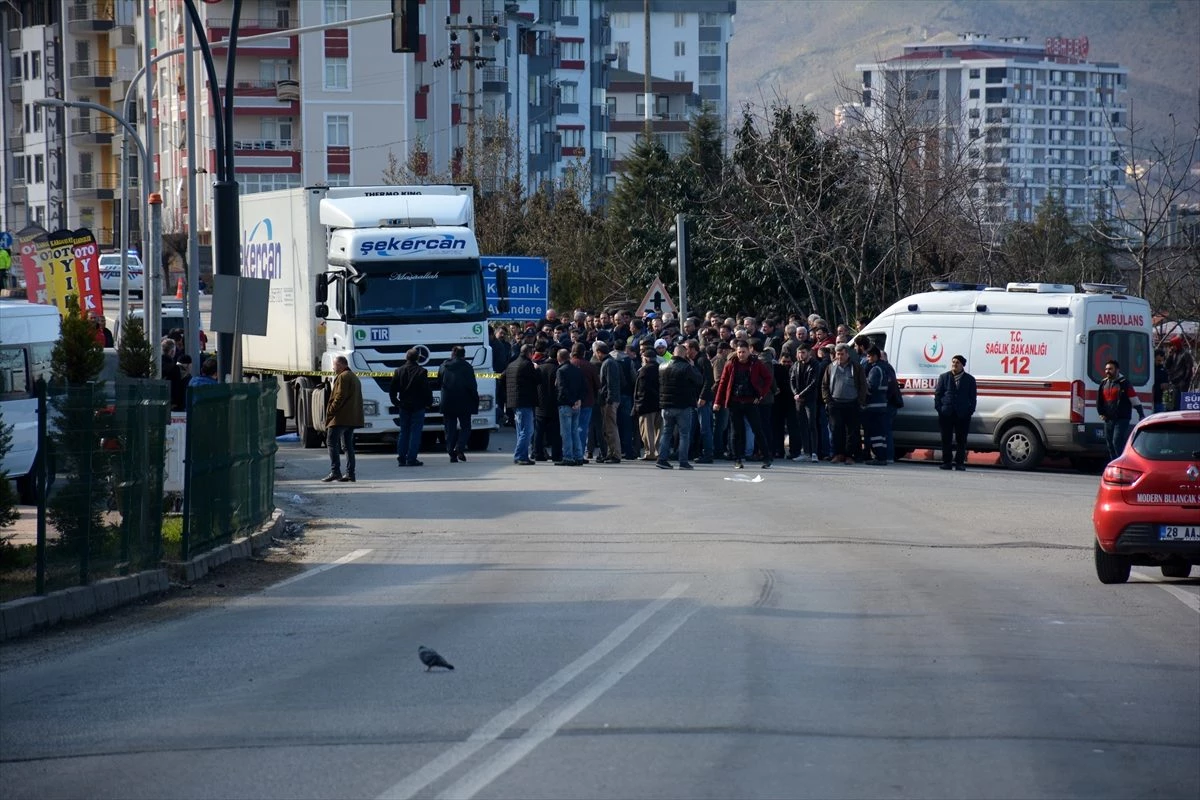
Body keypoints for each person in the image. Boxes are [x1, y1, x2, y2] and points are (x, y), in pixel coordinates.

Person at [713, 339, 773, 470]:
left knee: (757, 429)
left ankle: (767, 457)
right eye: (739, 352)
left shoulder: (756, 363)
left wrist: (761, 394)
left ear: (749, 351)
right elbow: (722, 383)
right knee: (736, 432)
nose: (741, 355)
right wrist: (718, 401)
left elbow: (768, 378)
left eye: (744, 352)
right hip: (735, 402)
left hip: (751, 402)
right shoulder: (730, 364)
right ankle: (737, 459)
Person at [657, 344, 703, 470]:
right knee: (684, 434)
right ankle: (683, 461)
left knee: (666, 433)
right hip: (683, 405)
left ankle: (662, 459)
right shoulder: (687, 367)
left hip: (666, 405)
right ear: (684, 354)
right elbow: (699, 380)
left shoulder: (662, 366)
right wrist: (693, 367)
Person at [821, 343, 867, 464]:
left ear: (847, 354)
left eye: (842, 354)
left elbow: (863, 385)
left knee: (852, 432)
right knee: (836, 430)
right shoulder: (831, 367)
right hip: (835, 404)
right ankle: (838, 454)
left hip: (852, 403)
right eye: (838, 354)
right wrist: (828, 401)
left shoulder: (856, 367)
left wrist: (860, 401)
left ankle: (850, 455)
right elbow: (824, 385)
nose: (839, 356)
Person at [323, 355, 364, 482]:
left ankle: (335, 471)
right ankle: (350, 473)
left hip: (341, 417)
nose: (333, 368)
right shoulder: (353, 376)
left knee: (331, 442)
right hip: (351, 418)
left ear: (341, 365)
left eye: (334, 365)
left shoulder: (343, 377)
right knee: (347, 446)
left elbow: (340, 396)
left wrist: (331, 410)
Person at [933, 354, 977, 471]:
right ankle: (947, 462)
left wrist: (969, 411)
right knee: (946, 439)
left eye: (957, 362)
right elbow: (938, 394)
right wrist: (940, 409)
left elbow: (973, 398)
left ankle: (959, 463)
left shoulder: (970, 380)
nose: (954, 364)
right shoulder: (944, 377)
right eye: (953, 362)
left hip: (962, 414)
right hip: (946, 413)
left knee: (961, 440)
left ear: (962, 365)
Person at [1097, 359, 1146, 460]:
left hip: (1122, 418)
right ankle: (1114, 464)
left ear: (1117, 370)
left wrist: (1141, 414)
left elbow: (1134, 400)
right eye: (1106, 369)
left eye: (1110, 369)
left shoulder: (1124, 383)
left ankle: (1122, 463)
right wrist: (1101, 413)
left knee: (1117, 442)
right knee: (1109, 444)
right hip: (1108, 419)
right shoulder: (1103, 383)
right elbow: (1099, 400)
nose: (1107, 371)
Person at [390, 347, 432, 467]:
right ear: (418, 358)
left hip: (404, 405)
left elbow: (392, 389)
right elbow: (426, 390)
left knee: (404, 431)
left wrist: (396, 402)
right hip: (418, 406)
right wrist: (428, 403)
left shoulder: (399, 371)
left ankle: (401, 457)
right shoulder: (422, 371)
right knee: (415, 432)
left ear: (406, 357)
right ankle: (412, 458)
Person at [438, 345, 479, 463]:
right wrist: (475, 400)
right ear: (464, 355)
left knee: (449, 428)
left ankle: (451, 453)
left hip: (448, 401)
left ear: (453, 354)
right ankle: (459, 448)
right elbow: (472, 386)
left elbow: (439, 382)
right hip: (464, 401)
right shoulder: (468, 367)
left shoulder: (443, 366)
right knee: (466, 427)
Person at [504, 343, 539, 465]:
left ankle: (523, 455)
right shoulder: (527, 364)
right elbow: (537, 379)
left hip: (514, 402)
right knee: (528, 430)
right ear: (529, 353)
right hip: (525, 401)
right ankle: (519, 455)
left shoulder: (511, 365)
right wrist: (536, 369)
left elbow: (502, 379)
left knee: (521, 431)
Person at [554, 348, 584, 466]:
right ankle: (579, 456)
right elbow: (583, 387)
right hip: (577, 404)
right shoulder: (577, 370)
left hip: (566, 404)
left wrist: (571, 402)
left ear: (559, 358)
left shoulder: (561, 371)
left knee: (566, 433)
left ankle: (568, 456)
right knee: (575, 432)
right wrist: (578, 400)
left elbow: (562, 389)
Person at [594, 341, 623, 463]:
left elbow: (611, 384)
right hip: (608, 399)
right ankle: (611, 453)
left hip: (609, 401)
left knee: (611, 428)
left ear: (599, 352)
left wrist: (609, 400)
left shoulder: (609, 363)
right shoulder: (608, 362)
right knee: (607, 428)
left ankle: (615, 454)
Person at [861, 346, 890, 466]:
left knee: (875, 434)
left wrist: (863, 386)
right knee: (880, 434)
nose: (868, 359)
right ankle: (882, 456)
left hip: (874, 406)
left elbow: (871, 387)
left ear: (875, 356)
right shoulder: (883, 367)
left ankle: (879, 457)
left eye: (869, 356)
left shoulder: (875, 369)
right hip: (881, 405)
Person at [633, 344, 661, 461]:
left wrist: (637, 405)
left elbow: (641, 389)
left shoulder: (644, 371)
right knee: (658, 429)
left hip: (646, 405)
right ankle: (657, 451)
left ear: (645, 358)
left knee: (646, 430)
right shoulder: (661, 367)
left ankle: (650, 452)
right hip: (660, 404)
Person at [1165, 335, 1195, 410]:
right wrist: (1170, 356)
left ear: (1177, 344)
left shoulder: (1185, 354)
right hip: (1173, 382)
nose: (1172, 347)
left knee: (1179, 405)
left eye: (1173, 345)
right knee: (1171, 404)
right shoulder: (1173, 354)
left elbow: (1189, 369)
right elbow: (1167, 366)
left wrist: (1184, 381)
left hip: (1181, 383)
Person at [1152, 349, 1169, 414]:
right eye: (1158, 360)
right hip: (1151, 399)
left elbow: (1166, 387)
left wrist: (1167, 403)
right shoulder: (1150, 369)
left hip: (1160, 401)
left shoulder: (1164, 370)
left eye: (1162, 361)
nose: (1160, 362)